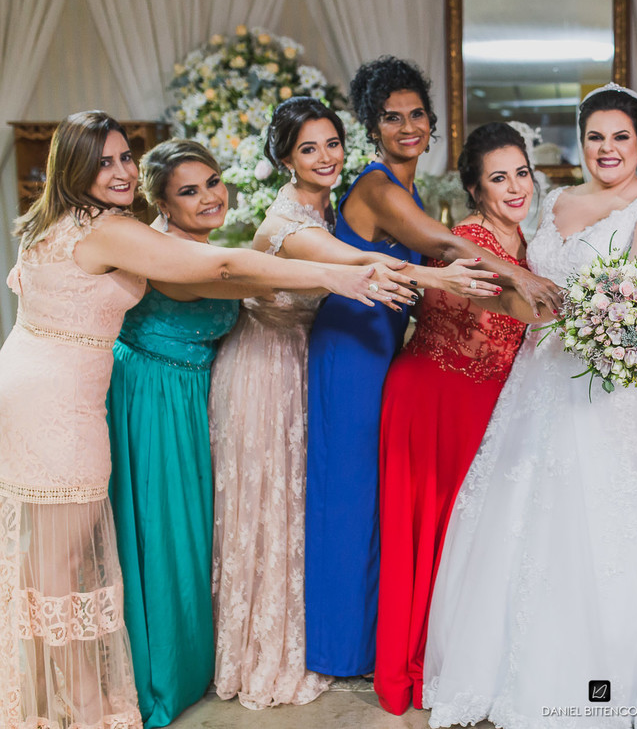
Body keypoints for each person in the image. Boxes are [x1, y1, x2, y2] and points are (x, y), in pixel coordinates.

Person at [0, 111, 397, 729]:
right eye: (103, 162)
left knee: (49, 554)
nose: (121, 171)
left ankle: (55, 695)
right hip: (63, 403)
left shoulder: (54, 221)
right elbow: (222, 270)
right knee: (65, 559)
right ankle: (76, 708)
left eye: (125, 157)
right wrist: (334, 274)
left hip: (34, 382)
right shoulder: (106, 229)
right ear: (73, 168)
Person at [423, 84, 637, 729]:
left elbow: (636, 291)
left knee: (610, 522)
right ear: (580, 142)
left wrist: (581, 317)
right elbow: (529, 291)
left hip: (617, 384)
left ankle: (610, 677)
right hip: (541, 376)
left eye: (620, 136)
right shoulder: (556, 202)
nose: (607, 148)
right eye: (595, 136)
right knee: (527, 519)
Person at [209, 96, 480, 708]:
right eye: (309, 149)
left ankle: (328, 637)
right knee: (275, 503)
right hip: (266, 364)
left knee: (307, 502)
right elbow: (357, 263)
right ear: (285, 159)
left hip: (308, 356)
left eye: (332, 143)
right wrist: (438, 276)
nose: (326, 157)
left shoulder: (328, 205)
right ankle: (280, 645)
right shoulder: (289, 223)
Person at [305, 58, 560, 677]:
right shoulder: (378, 188)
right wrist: (521, 276)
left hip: (385, 345)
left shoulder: (408, 190)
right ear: (372, 126)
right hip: (351, 348)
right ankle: (340, 651)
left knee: (375, 508)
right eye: (392, 117)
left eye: (417, 114)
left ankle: (371, 645)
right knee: (348, 501)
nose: (408, 126)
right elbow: (445, 246)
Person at [374, 123, 533, 713]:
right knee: (422, 540)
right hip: (434, 398)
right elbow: (503, 301)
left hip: (486, 406)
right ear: (474, 188)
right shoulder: (465, 241)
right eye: (499, 178)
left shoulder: (528, 242)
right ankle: (407, 672)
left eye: (522, 173)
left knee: (461, 543)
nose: (515, 187)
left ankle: (448, 666)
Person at [105, 139, 240, 727]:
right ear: (161, 204)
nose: (209, 197)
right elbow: (246, 278)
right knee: (161, 529)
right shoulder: (164, 251)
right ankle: (159, 674)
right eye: (189, 191)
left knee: (188, 528)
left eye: (212, 181)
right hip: (150, 394)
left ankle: (184, 663)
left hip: (187, 396)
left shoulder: (203, 246)